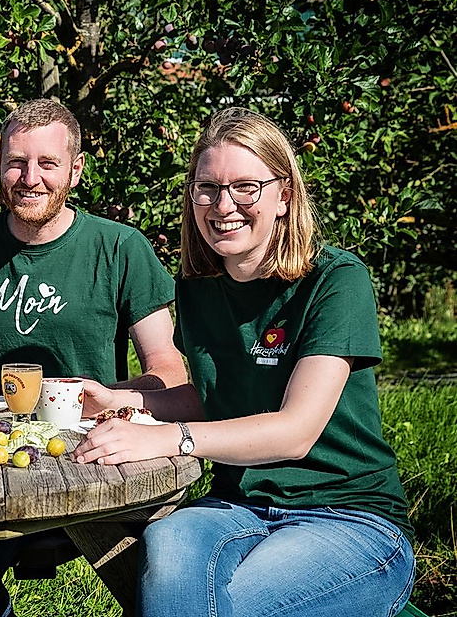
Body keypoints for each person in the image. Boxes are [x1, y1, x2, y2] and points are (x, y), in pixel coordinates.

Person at [71, 107, 415, 616]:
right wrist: (121, 399)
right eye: (206, 188)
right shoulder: (197, 286)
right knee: (165, 551)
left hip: (347, 515)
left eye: (246, 187)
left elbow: (295, 430)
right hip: (236, 505)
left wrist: (170, 437)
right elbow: (210, 397)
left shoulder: (335, 281)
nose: (223, 205)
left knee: (225, 605)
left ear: (284, 196)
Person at [0, 98, 187, 617]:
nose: (30, 178)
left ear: (75, 169)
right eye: (17, 162)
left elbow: (168, 365)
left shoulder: (119, 248)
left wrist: (116, 400)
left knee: (152, 576)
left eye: (47, 163)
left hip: (90, 451)